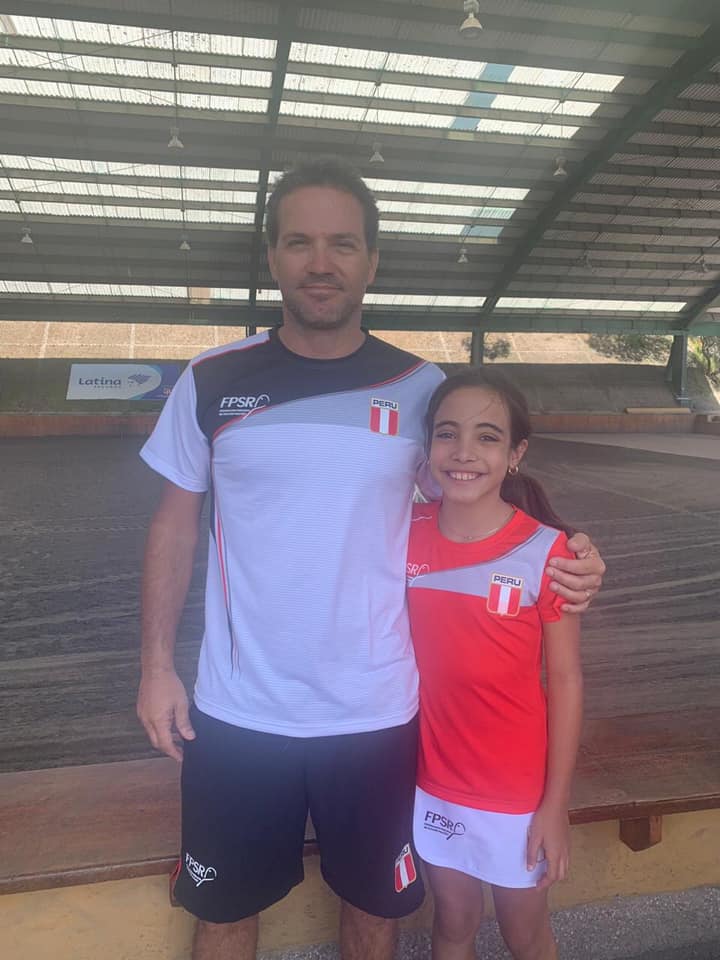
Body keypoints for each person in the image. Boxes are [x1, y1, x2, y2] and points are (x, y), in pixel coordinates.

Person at [136, 157, 604, 960]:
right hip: (239, 713)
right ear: (273, 255)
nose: (320, 263)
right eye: (300, 242)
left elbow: (474, 494)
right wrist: (154, 666)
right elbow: (174, 527)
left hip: (378, 715)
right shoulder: (211, 379)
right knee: (223, 914)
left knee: (373, 912)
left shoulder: (422, 387)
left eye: (342, 244)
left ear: (372, 261)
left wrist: (569, 551)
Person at [407, 368, 584, 960]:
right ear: (428, 445)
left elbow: (566, 680)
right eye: (447, 433)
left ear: (515, 454)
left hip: (517, 793)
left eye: (487, 437)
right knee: (454, 922)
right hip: (433, 781)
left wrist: (555, 805)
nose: (463, 452)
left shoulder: (547, 551)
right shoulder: (403, 533)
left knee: (524, 933)